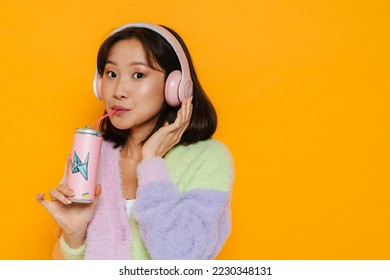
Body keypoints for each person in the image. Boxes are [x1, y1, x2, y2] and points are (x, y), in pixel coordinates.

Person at [36, 22, 234, 260]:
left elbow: (183, 257)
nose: (118, 90)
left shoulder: (208, 158)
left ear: (175, 86)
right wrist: (73, 235)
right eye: (111, 74)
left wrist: (151, 163)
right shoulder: (90, 157)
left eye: (138, 74)